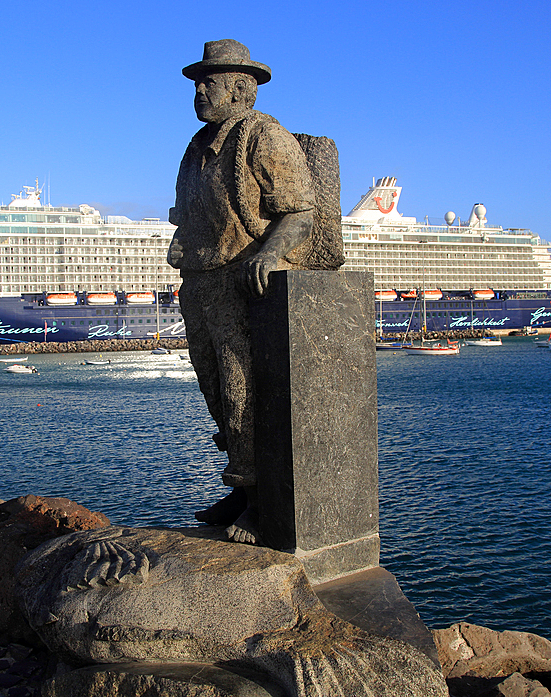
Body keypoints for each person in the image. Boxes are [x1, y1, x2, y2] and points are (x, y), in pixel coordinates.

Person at [167, 39, 316, 544]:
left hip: (239, 280)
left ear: (239, 87)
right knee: (214, 389)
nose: (199, 88)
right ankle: (239, 482)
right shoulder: (195, 147)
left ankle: (260, 500)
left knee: (241, 389)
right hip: (200, 280)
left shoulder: (263, 135)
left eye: (208, 80)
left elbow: (300, 209)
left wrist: (270, 253)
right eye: (197, 81)